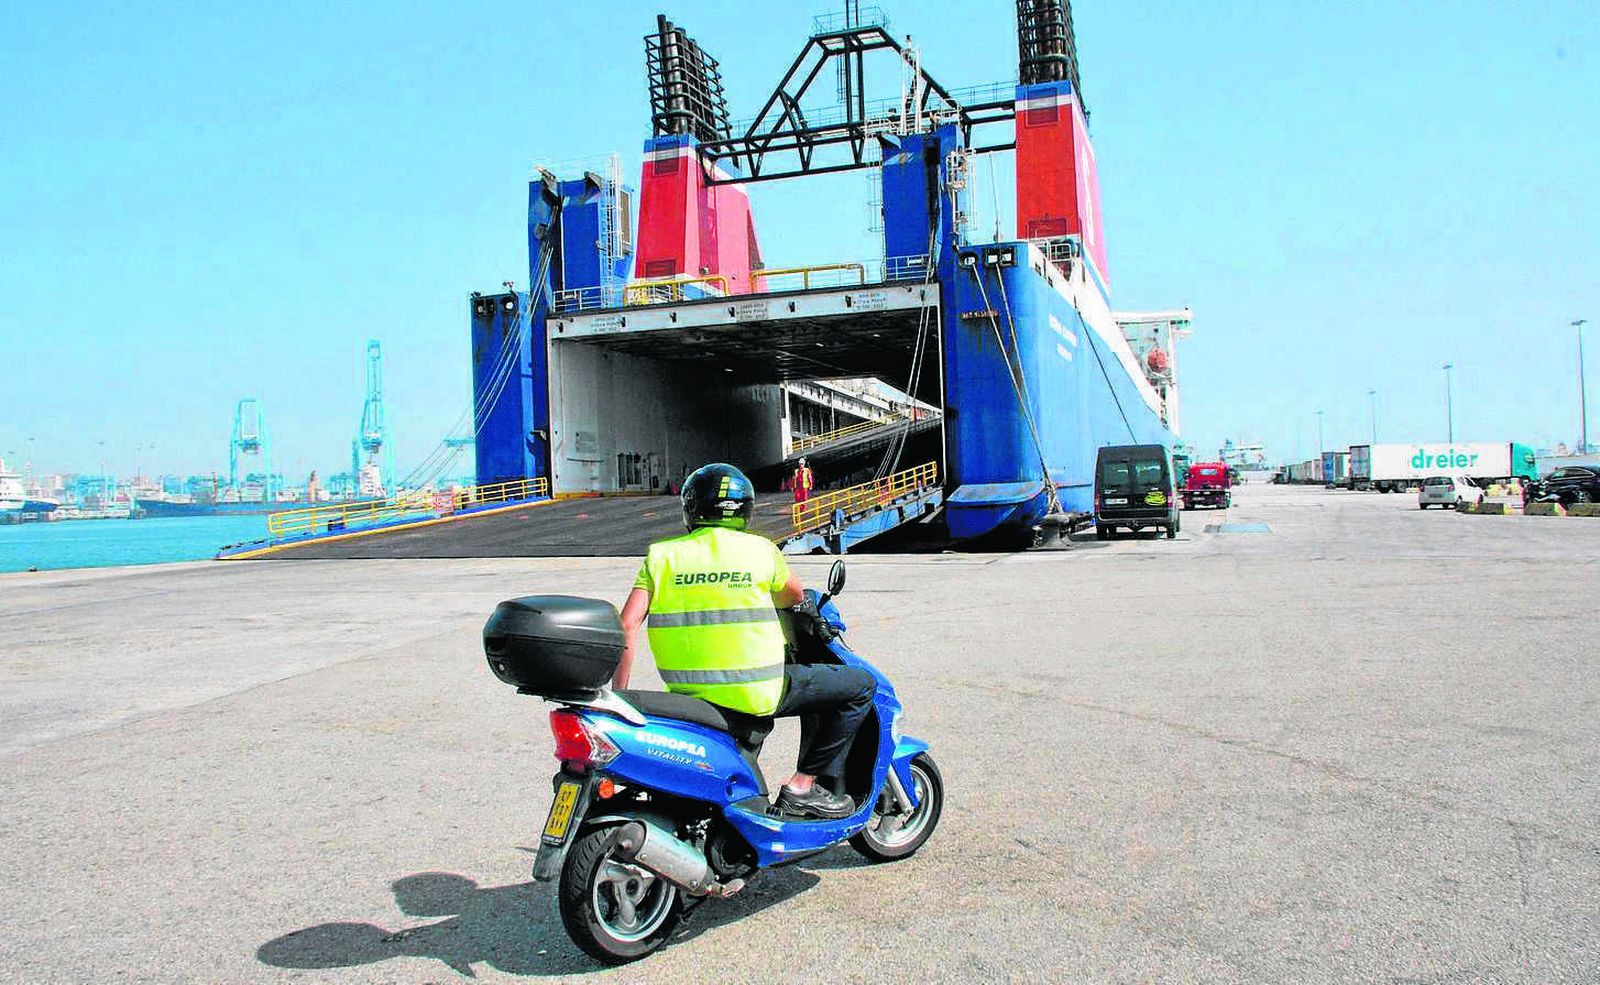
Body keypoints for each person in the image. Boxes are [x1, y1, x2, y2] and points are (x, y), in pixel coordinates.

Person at [612, 463, 873, 819]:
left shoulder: (661, 556)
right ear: (745, 509)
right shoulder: (761, 551)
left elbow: (627, 625)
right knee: (859, 685)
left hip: (691, 698)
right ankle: (803, 787)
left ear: (690, 508)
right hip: (758, 693)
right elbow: (795, 598)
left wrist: (619, 699)